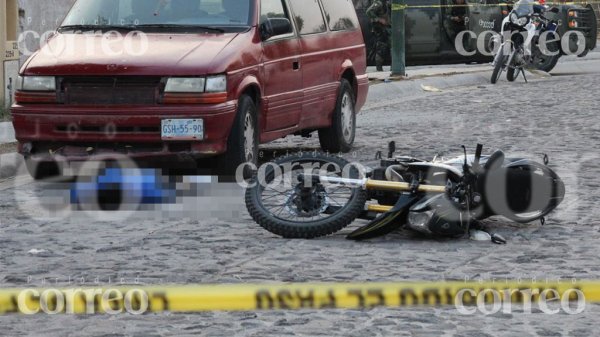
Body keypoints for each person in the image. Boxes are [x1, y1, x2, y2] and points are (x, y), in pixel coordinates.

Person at [366, 0, 391, 72]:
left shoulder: (385, 3)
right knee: (381, 48)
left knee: (388, 47)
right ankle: (379, 69)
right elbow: (368, 12)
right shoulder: (379, 3)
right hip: (381, 29)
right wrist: (379, 19)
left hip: (387, 29)